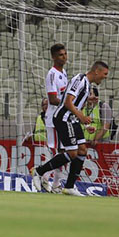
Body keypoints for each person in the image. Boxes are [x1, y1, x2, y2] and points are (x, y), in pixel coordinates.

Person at [31, 61, 110, 197]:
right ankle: (38, 171)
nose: (105, 77)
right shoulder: (79, 80)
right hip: (63, 118)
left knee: (82, 150)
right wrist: (82, 117)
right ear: (97, 71)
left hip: (72, 119)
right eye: (105, 74)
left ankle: (69, 186)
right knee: (72, 153)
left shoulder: (87, 84)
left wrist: (85, 124)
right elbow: (67, 102)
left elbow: (77, 106)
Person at [43, 43, 69, 191]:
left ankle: (53, 182)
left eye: (65, 54)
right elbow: (52, 99)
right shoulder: (52, 74)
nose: (64, 57)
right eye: (60, 54)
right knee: (57, 152)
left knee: (64, 152)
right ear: (53, 57)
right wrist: (70, 104)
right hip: (53, 119)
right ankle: (46, 177)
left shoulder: (63, 73)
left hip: (62, 118)